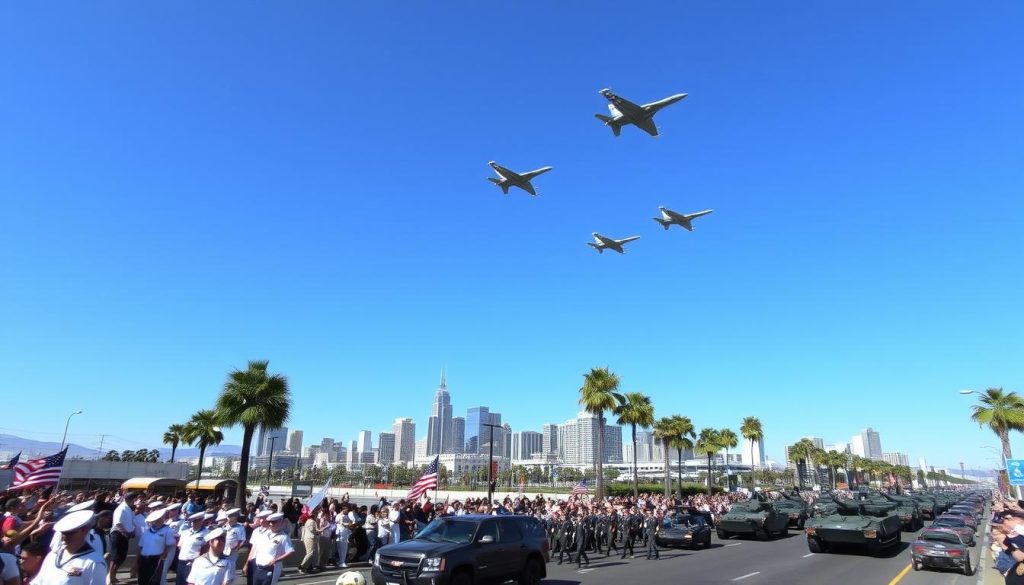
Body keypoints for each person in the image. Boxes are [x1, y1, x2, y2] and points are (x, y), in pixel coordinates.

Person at [30, 510, 107, 585]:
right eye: (63, 533)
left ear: (85, 530)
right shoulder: (53, 555)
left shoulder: (94, 563)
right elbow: (39, 581)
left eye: (70, 533)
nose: (64, 537)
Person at [248, 514, 292, 585]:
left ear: (280, 522)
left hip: (270, 568)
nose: (271, 524)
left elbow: (290, 551)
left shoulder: (283, 536)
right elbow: (256, 547)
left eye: (274, 522)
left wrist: (276, 559)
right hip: (258, 567)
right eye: (270, 522)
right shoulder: (264, 534)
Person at [137, 509, 174, 585]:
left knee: (153, 581)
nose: (156, 521)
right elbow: (140, 546)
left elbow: (168, 546)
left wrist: (162, 559)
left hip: (156, 560)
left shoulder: (167, 530)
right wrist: (137, 561)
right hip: (144, 559)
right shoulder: (147, 531)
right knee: (142, 580)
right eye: (155, 520)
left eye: (159, 519)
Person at [109, 493, 137, 585]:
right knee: (116, 557)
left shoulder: (128, 508)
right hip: (118, 534)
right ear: (130, 500)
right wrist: (125, 533)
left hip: (124, 535)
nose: (135, 502)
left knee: (121, 557)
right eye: (134, 500)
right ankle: (110, 577)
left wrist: (131, 532)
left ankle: (113, 576)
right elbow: (118, 523)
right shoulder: (121, 509)